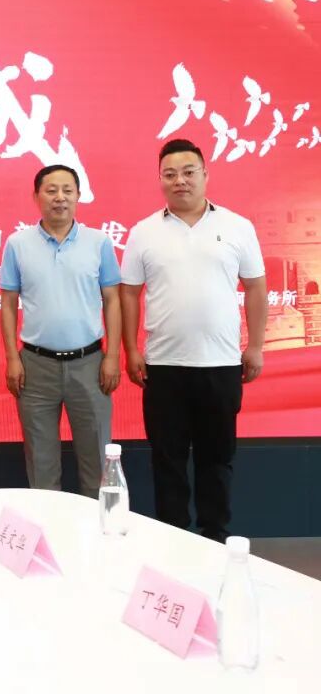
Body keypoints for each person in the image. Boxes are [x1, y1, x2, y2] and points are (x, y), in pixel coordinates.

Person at [121, 138, 266, 542]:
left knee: (216, 458)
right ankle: (174, 539)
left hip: (221, 364)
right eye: (170, 174)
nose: (179, 181)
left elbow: (256, 287)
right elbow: (129, 294)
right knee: (166, 459)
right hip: (164, 366)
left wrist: (255, 346)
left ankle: (214, 537)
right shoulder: (144, 232)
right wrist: (131, 349)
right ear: (160, 180)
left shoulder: (237, 226)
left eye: (188, 172)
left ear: (205, 174)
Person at [0, 165, 122, 498]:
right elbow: (8, 304)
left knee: (98, 460)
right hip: (36, 366)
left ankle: (98, 527)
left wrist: (112, 356)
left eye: (67, 190)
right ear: (36, 196)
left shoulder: (99, 242)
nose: (60, 197)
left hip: (90, 363)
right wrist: (12, 358)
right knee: (41, 462)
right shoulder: (17, 244)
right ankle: (48, 526)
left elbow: (112, 300)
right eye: (51, 190)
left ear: (79, 196)